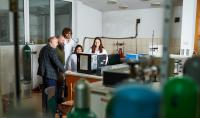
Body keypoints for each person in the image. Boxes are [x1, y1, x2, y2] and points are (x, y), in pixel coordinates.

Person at [37, 36, 66, 112]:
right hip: (51, 75)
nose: (57, 44)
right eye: (56, 42)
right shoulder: (51, 49)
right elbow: (56, 61)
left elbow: (39, 59)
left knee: (45, 93)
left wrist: (45, 68)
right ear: (51, 42)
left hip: (44, 74)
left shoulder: (43, 48)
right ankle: (51, 111)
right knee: (51, 94)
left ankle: (45, 110)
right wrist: (65, 70)